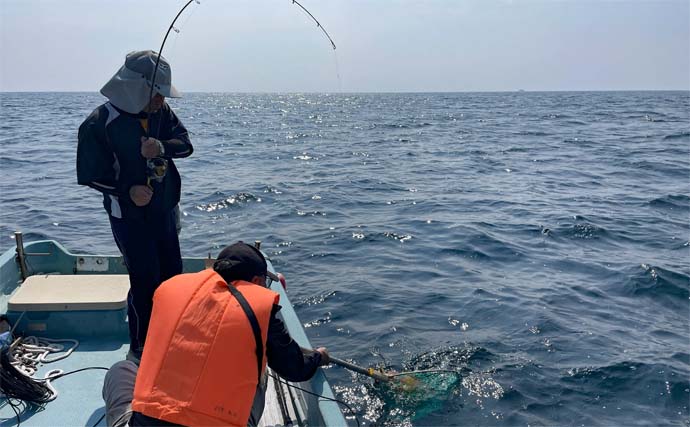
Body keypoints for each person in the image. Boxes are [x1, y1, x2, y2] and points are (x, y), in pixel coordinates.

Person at [102, 242, 330, 427]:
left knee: (120, 370)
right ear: (257, 281)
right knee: (260, 374)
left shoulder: (174, 291)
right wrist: (319, 356)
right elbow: (294, 367)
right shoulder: (260, 306)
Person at [76, 50, 193, 359]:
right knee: (144, 280)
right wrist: (127, 191)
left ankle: (170, 337)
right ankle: (140, 350)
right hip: (127, 217)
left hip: (164, 211)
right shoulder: (98, 123)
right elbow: (89, 175)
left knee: (172, 275)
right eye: (156, 93)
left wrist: (162, 147)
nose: (160, 100)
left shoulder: (162, 113)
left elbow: (186, 145)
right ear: (136, 87)